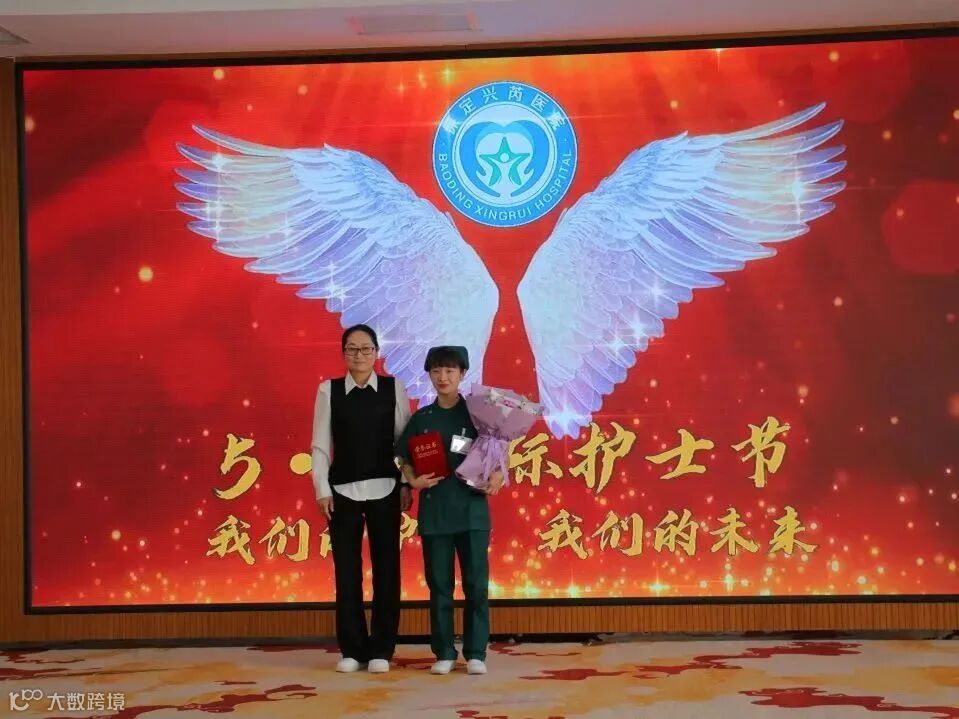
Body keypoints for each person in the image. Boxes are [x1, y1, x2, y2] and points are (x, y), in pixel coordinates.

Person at [395, 346, 504, 676]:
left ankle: (476, 653)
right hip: (436, 513)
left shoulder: (479, 414)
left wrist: (498, 474)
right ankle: (443, 651)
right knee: (440, 587)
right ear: (429, 375)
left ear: (462, 374)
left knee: (476, 586)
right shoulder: (422, 418)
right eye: (436, 371)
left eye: (450, 370)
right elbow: (403, 458)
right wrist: (412, 480)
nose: (443, 377)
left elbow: (499, 452)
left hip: (472, 512)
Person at [312, 324, 412, 674]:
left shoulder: (393, 388)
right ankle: (352, 649)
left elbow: (404, 440)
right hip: (342, 493)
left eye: (366, 348)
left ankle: (382, 648)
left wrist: (406, 483)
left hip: (386, 489)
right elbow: (320, 443)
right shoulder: (329, 390)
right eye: (352, 349)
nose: (359, 355)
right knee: (347, 572)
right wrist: (322, 489)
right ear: (344, 353)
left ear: (376, 352)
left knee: (387, 570)